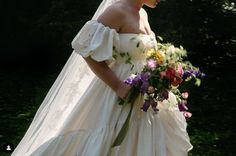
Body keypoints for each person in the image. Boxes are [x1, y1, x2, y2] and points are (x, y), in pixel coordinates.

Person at [12, 0, 193, 155]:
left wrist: (164, 73)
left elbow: (142, 56)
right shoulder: (117, 11)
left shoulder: (142, 13)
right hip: (118, 92)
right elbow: (85, 49)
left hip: (144, 95)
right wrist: (118, 86)